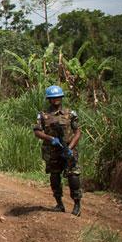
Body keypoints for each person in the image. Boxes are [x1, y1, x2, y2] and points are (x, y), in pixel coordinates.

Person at [33, 84, 83, 216]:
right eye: (53, 98)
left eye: (58, 97)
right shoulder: (43, 115)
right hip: (52, 151)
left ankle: (77, 204)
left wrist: (70, 148)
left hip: (68, 149)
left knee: (73, 175)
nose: (56, 100)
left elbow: (78, 132)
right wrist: (50, 138)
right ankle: (59, 204)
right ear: (49, 99)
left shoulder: (70, 114)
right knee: (55, 176)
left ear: (61, 98)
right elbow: (37, 132)